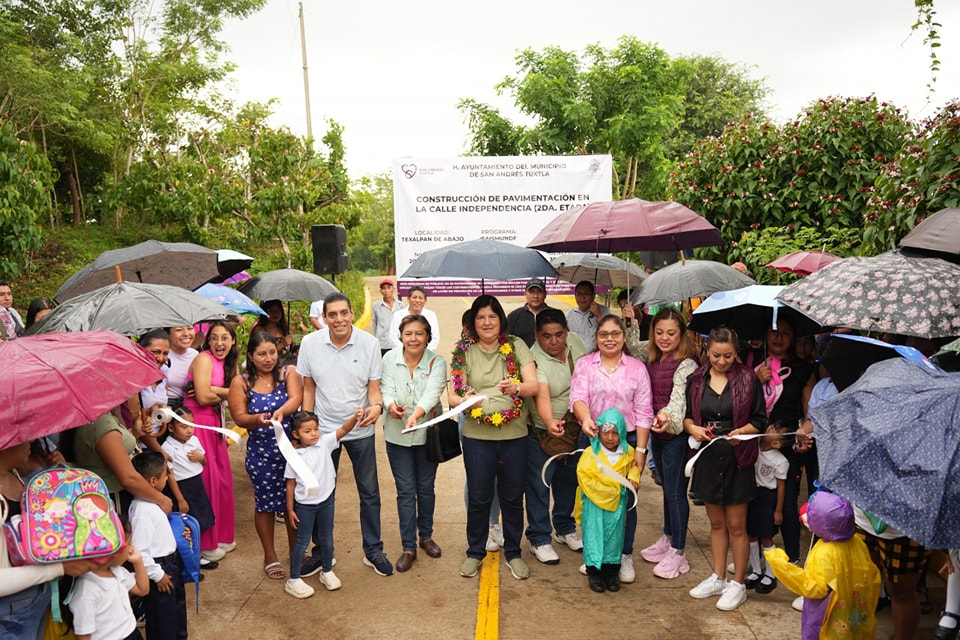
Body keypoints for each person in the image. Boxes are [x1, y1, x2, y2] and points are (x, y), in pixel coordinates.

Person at [297, 292, 392, 576]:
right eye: (332, 314)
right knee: (320, 493)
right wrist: (305, 431)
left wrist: (376, 408)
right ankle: (321, 552)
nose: (338, 319)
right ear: (324, 318)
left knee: (369, 492)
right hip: (323, 431)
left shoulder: (370, 344)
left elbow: (374, 388)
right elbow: (309, 389)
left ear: (352, 314)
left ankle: (373, 550)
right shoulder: (310, 344)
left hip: (360, 429)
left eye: (343, 313)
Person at [449, 295, 538, 580]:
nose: (487, 322)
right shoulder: (463, 351)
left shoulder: (516, 345)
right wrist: (464, 400)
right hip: (477, 435)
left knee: (513, 497)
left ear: (501, 319)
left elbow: (533, 385)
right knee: (479, 496)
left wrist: (516, 388)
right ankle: (475, 552)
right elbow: (452, 396)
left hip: (514, 434)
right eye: (480, 317)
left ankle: (514, 552)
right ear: (473, 323)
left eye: (492, 316)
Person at [685, 326, 767, 611]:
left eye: (728, 356)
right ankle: (718, 577)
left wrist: (740, 431)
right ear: (707, 351)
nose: (721, 361)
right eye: (716, 355)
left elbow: (760, 419)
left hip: (738, 457)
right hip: (708, 456)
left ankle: (738, 583)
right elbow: (687, 418)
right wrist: (694, 428)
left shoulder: (748, 378)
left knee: (736, 525)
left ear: (737, 353)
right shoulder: (696, 379)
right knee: (716, 523)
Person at [569, 315, 653, 583]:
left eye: (615, 333)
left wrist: (640, 449)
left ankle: (623, 555)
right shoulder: (585, 365)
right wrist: (586, 420)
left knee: (625, 501)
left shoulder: (637, 368)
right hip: (593, 439)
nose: (609, 339)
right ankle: (595, 556)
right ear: (596, 338)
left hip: (626, 441)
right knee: (593, 500)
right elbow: (578, 397)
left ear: (624, 336)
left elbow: (643, 411)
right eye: (604, 334)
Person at [0, 442, 97, 639]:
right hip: (9, 616)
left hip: (35, 599)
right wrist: (60, 568)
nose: (29, 442)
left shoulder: (13, 475)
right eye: (21, 438)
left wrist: (59, 475)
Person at [227, 331, 302, 580]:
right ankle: (270, 555)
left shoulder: (287, 373)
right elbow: (239, 417)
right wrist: (257, 420)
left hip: (291, 451)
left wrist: (280, 412)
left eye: (272, 352)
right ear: (250, 355)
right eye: (261, 354)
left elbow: (296, 398)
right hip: (261, 454)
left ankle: (296, 551)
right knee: (266, 504)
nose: (268, 358)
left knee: (295, 503)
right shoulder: (241, 382)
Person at [381, 314, 448, 572]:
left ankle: (426, 536)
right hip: (397, 437)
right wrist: (390, 406)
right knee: (406, 491)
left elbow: (433, 392)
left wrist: (415, 414)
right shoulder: (389, 359)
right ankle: (408, 546)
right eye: (408, 333)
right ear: (401, 336)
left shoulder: (437, 362)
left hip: (427, 436)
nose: (414, 338)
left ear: (428, 337)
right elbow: (385, 389)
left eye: (419, 333)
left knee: (426, 487)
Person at [766, 491, 881, 640]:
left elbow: (815, 587)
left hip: (828, 621)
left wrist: (780, 564)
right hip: (856, 613)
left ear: (824, 525)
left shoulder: (824, 552)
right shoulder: (858, 543)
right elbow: (872, 575)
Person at [638, 308, 699, 580]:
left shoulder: (686, 363)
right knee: (666, 489)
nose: (664, 338)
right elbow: (626, 346)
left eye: (671, 333)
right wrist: (630, 322)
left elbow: (678, 401)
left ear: (681, 334)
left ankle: (679, 550)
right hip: (656, 435)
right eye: (659, 332)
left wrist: (665, 418)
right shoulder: (651, 356)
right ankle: (668, 535)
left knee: (675, 493)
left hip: (674, 435)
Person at [525, 308, 586, 564]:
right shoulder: (533, 359)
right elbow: (543, 396)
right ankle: (539, 538)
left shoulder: (576, 343)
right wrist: (550, 421)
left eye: (559, 335)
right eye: (547, 336)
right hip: (543, 432)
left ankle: (564, 526)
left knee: (568, 482)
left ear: (567, 332)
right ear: (537, 335)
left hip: (576, 427)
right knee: (540, 485)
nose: (554, 342)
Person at [755, 318, 816, 565]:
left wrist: (803, 432)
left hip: (787, 446)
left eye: (786, 333)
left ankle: (793, 559)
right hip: (756, 444)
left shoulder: (803, 370)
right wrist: (755, 381)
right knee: (757, 503)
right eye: (773, 332)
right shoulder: (755, 365)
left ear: (794, 338)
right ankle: (757, 556)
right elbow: (740, 402)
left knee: (787, 504)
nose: (779, 338)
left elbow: (810, 412)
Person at [284, 409, 364, 598]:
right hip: (305, 505)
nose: (313, 434)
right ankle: (293, 579)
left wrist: (355, 417)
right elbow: (290, 484)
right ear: (296, 434)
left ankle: (326, 571)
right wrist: (290, 509)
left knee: (327, 538)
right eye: (307, 431)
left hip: (326, 501)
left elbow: (344, 429)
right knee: (302, 541)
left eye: (316, 429)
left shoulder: (325, 443)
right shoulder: (294, 456)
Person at [183, 320, 239, 562]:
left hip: (215, 424)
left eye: (225, 338)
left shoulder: (229, 362)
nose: (219, 343)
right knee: (207, 482)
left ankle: (223, 535)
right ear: (208, 340)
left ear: (233, 341)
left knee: (223, 481)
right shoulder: (203, 359)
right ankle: (205, 542)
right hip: (197, 425)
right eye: (214, 337)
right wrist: (229, 391)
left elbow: (235, 391)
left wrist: (222, 390)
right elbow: (204, 397)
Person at [576, 408, 640, 593]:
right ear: (598, 432)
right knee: (594, 537)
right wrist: (610, 491)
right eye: (606, 432)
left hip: (617, 508)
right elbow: (584, 478)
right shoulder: (590, 453)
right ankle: (594, 573)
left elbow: (633, 468)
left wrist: (634, 477)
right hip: (595, 506)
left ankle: (612, 573)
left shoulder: (628, 452)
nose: (610, 437)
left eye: (615, 433)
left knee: (614, 539)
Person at [61, 412, 173, 517]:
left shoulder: (101, 418)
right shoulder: (101, 424)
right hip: (114, 498)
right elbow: (128, 478)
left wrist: (134, 433)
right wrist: (162, 500)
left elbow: (113, 445)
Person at [129, 451, 187, 640]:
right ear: (153, 481)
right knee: (163, 622)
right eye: (166, 475)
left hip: (170, 564)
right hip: (159, 570)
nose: (168, 477)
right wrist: (158, 575)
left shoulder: (152, 503)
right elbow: (139, 550)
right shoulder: (141, 511)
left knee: (177, 614)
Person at [69, 528, 150, 640]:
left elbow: (143, 590)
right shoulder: (86, 590)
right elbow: (84, 636)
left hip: (132, 633)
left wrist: (138, 560)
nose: (131, 549)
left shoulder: (118, 572)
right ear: (115, 552)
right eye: (128, 545)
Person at [745, 422, 790, 594]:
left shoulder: (780, 461)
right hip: (753, 494)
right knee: (751, 533)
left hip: (767, 498)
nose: (769, 427)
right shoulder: (754, 446)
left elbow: (781, 487)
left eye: (774, 431)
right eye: (771, 426)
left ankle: (771, 574)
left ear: (776, 444)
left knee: (766, 537)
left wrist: (778, 510)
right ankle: (756, 570)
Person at [389, 286, 439, 352]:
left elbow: (435, 338)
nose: (417, 300)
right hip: (402, 354)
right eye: (414, 297)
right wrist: (406, 352)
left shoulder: (431, 315)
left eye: (420, 298)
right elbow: (393, 337)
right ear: (408, 299)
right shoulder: (398, 315)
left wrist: (424, 353)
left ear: (425, 300)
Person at [506, 278, 551, 347]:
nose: (536, 296)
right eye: (532, 292)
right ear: (525, 293)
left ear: (545, 294)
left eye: (539, 292)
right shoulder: (514, 317)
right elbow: (507, 342)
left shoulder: (555, 315)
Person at [567, 280, 610, 353]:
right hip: (576, 357)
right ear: (575, 296)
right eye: (579, 294)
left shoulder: (604, 310)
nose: (582, 297)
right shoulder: (570, 314)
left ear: (593, 295)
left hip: (597, 357)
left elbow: (609, 331)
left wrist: (598, 315)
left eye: (586, 294)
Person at [164, 326, 199, 412]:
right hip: (167, 408)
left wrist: (199, 390)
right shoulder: (163, 355)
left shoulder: (195, 355)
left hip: (189, 408)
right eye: (178, 330)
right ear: (168, 333)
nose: (186, 334)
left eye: (190, 328)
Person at [371, 278, 405, 357]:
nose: (386, 291)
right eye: (383, 288)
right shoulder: (376, 306)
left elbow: (404, 324)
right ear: (380, 291)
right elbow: (375, 324)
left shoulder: (400, 305)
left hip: (397, 343)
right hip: (383, 344)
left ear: (393, 289)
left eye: (389, 288)